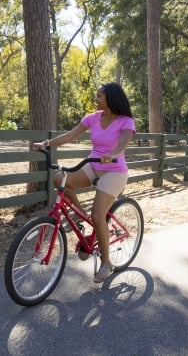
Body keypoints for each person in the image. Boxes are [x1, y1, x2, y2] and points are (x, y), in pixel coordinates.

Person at [34, 82, 135, 283]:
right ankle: (80, 218)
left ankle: (106, 263)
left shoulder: (126, 121)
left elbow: (122, 145)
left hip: (114, 171)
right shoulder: (93, 118)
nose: (95, 99)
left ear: (111, 99)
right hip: (93, 165)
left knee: (98, 216)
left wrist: (112, 154)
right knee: (59, 178)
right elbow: (69, 136)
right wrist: (46, 143)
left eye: (99, 96)